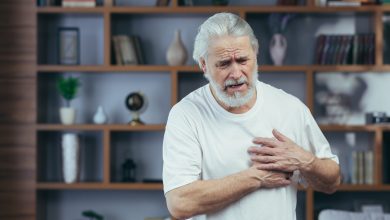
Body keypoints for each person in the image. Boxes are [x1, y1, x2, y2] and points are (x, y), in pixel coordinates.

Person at [162, 12, 340, 220]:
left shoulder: (290, 108)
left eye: (242, 60)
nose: (236, 73)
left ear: (255, 54)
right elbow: (179, 203)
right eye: (224, 63)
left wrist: (304, 161)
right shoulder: (186, 114)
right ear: (204, 65)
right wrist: (255, 177)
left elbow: (332, 181)